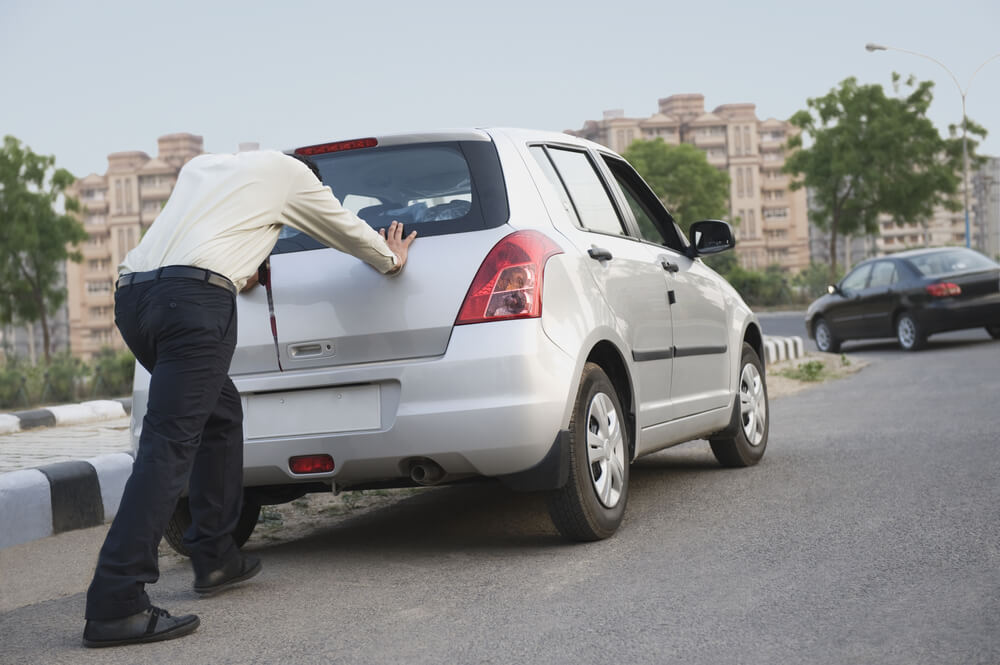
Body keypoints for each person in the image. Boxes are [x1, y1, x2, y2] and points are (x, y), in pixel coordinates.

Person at [82, 149, 416, 648]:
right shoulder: (296, 177)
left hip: (134, 300)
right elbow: (349, 232)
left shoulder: (205, 170)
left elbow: (225, 249)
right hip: (193, 306)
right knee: (168, 447)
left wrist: (253, 260)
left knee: (221, 413)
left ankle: (215, 555)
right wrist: (392, 258)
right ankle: (116, 602)